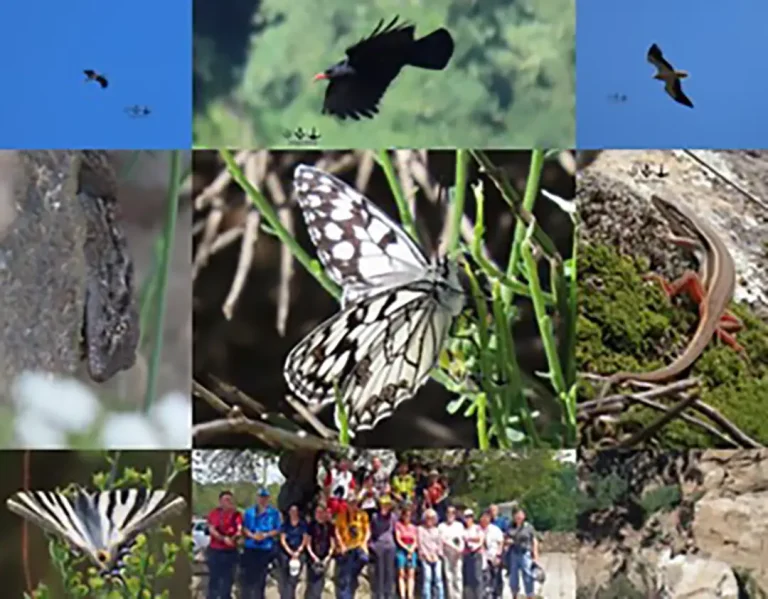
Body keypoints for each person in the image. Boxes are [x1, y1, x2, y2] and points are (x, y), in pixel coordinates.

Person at [241, 488, 282, 599]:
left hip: (265, 548)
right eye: (260, 497)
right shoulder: (249, 512)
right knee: (248, 578)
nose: (262, 500)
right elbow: (244, 528)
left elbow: (277, 529)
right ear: (257, 498)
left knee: (261, 578)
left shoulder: (273, 513)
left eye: (265, 498)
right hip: (251, 547)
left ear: (268, 499)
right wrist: (252, 535)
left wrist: (266, 535)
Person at [206, 490, 242, 599]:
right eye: (226, 500)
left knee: (228, 579)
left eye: (230, 500)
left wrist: (234, 538)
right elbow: (212, 529)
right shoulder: (214, 513)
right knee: (214, 579)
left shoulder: (236, 514)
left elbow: (239, 529)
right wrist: (223, 539)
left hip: (230, 551)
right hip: (216, 550)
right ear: (220, 501)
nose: (228, 502)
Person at [334, 495, 371, 599]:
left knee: (363, 559)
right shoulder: (341, 516)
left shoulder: (362, 515)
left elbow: (367, 531)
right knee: (346, 575)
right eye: (350, 503)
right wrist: (341, 544)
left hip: (358, 546)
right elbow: (337, 531)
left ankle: (352, 575)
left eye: (354, 503)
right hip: (347, 547)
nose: (353, 505)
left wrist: (364, 543)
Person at [506, 508, 540, 599]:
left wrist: (535, 555)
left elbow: (534, 541)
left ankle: (530, 595)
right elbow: (506, 538)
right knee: (513, 577)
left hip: (525, 553)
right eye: (516, 515)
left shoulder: (528, 527)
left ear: (524, 516)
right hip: (513, 553)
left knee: (528, 576)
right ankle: (514, 595)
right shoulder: (510, 526)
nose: (518, 517)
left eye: (520, 515)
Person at [369, 495, 398, 599]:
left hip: (390, 546)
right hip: (378, 545)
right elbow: (372, 531)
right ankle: (379, 594)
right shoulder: (375, 517)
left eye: (387, 505)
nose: (385, 507)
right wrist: (371, 544)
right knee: (379, 571)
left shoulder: (393, 517)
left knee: (389, 571)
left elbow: (395, 531)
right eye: (383, 505)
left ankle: (389, 594)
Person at [306, 504, 335, 599]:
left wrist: (328, 557)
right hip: (312, 557)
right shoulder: (311, 525)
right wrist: (314, 557)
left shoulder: (329, 526)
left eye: (321, 512)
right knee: (312, 582)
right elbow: (308, 543)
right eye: (317, 512)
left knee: (320, 582)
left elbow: (332, 543)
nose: (319, 514)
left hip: (325, 558)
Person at [279, 504, 308, 599]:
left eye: (295, 511)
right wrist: (290, 552)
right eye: (292, 511)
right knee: (285, 578)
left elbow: (305, 538)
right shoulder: (285, 524)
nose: (293, 513)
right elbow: (282, 539)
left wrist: (298, 551)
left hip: (299, 551)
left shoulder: (302, 524)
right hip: (287, 551)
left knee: (294, 578)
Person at [437, 506, 464, 599]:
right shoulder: (441, 526)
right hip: (447, 554)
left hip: (458, 554)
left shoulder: (459, 525)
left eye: (452, 513)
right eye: (448, 512)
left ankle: (459, 596)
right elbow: (441, 540)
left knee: (458, 576)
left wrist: (460, 549)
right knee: (449, 577)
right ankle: (451, 596)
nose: (450, 515)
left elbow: (462, 539)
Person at [417, 508, 444, 599]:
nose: (430, 520)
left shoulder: (437, 530)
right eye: (428, 517)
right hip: (425, 557)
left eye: (432, 518)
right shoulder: (420, 529)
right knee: (427, 579)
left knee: (438, 579)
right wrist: (426, 555)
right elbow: (420, 544)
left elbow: (439, 544)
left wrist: (436, 555)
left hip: (436, 557)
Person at [394, 503, 418, 599]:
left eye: (409, 515)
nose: (407, 517)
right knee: (401, 573)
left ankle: (410, 594)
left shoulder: (413, 527)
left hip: (412, 549)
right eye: (406, 515)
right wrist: (406, 548)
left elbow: (416, 539)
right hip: (402, 549)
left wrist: (412, 549)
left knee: (411, 573)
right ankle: (402, 595)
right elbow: (398, 538)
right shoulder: (398, 525)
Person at [479, 510, 504, 599]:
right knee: (485, 579)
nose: (485, 519)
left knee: (496, 578)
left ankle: (498, 595)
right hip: (483, 558)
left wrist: (498, 555)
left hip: (494, 556)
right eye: (483, 517)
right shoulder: (478, 529)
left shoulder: (495, 529)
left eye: (487, 517)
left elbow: (501, 542)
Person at [462, 509, 484, 599]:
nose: (468, 519)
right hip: (467, 555)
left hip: (476, 554)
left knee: (477, 578)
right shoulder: (463, 530)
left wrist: (469, 539)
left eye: (470, 516)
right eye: (466, 517)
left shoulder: (477, 528)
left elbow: (480, 539)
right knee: (468, 579)